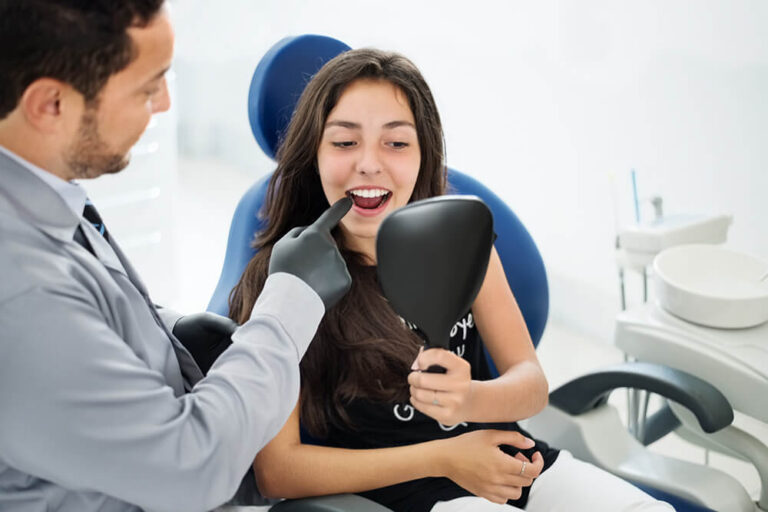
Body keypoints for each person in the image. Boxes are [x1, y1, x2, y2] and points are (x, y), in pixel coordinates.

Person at [229, 48, 675, 512]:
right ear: (313, 156)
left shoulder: (459, 241)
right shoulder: (286, 279)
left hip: (517, 468)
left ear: (425, 155)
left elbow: (531, 385)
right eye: (344, 143)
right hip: (407, 494)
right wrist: (444, 458)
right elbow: (278, 469)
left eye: (396, 143)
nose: (369, 163)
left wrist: (470, 400)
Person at [0, 2, 352, 511]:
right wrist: (285, 310)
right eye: (147, 87)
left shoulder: (43, 192)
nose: (164, 104)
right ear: (50, 104)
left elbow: (77, 325)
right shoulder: (23, 298)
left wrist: (168, 330)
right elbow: (193, 469)